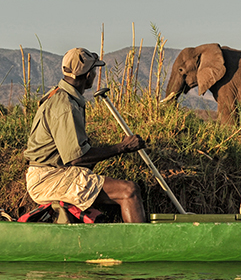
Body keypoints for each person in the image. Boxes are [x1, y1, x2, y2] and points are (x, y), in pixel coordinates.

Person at [22, 47, 147, 223]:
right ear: (88, 75)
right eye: (94, 70)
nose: (95, 75)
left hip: (53, 173)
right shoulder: (65, 104)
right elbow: (76, 158)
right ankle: (139, 247)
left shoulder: (62, 97)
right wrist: (123, 147)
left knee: (119, 188)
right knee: (129, 191)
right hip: (48, 179)